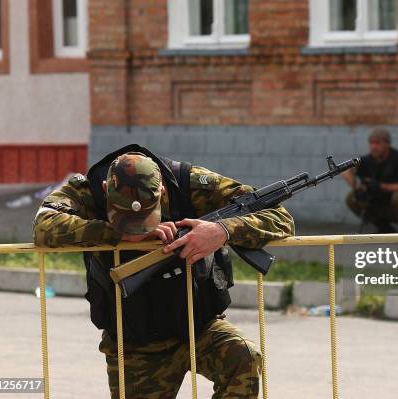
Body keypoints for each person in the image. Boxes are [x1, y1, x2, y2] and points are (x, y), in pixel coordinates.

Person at [33, 144, 294, 399]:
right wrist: (114, 232)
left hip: (198, 326)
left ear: (161, 191)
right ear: (106, 190)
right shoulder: (87, 189)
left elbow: (280, 218)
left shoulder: (188, 183)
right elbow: (44, 225)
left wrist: (222, 231)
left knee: (243, 357)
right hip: (135, 342)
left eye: (144, 217)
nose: (137, 228)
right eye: (125, 217)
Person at [343, 127, 398, 233]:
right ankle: (383, 227)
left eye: (377, 143)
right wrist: (358, 187)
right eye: (371, 143)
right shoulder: (367, 160)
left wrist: (380, 186)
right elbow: (346, 172)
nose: (373, 147)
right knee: (352, 197)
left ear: (387, 144)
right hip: (382, 203)